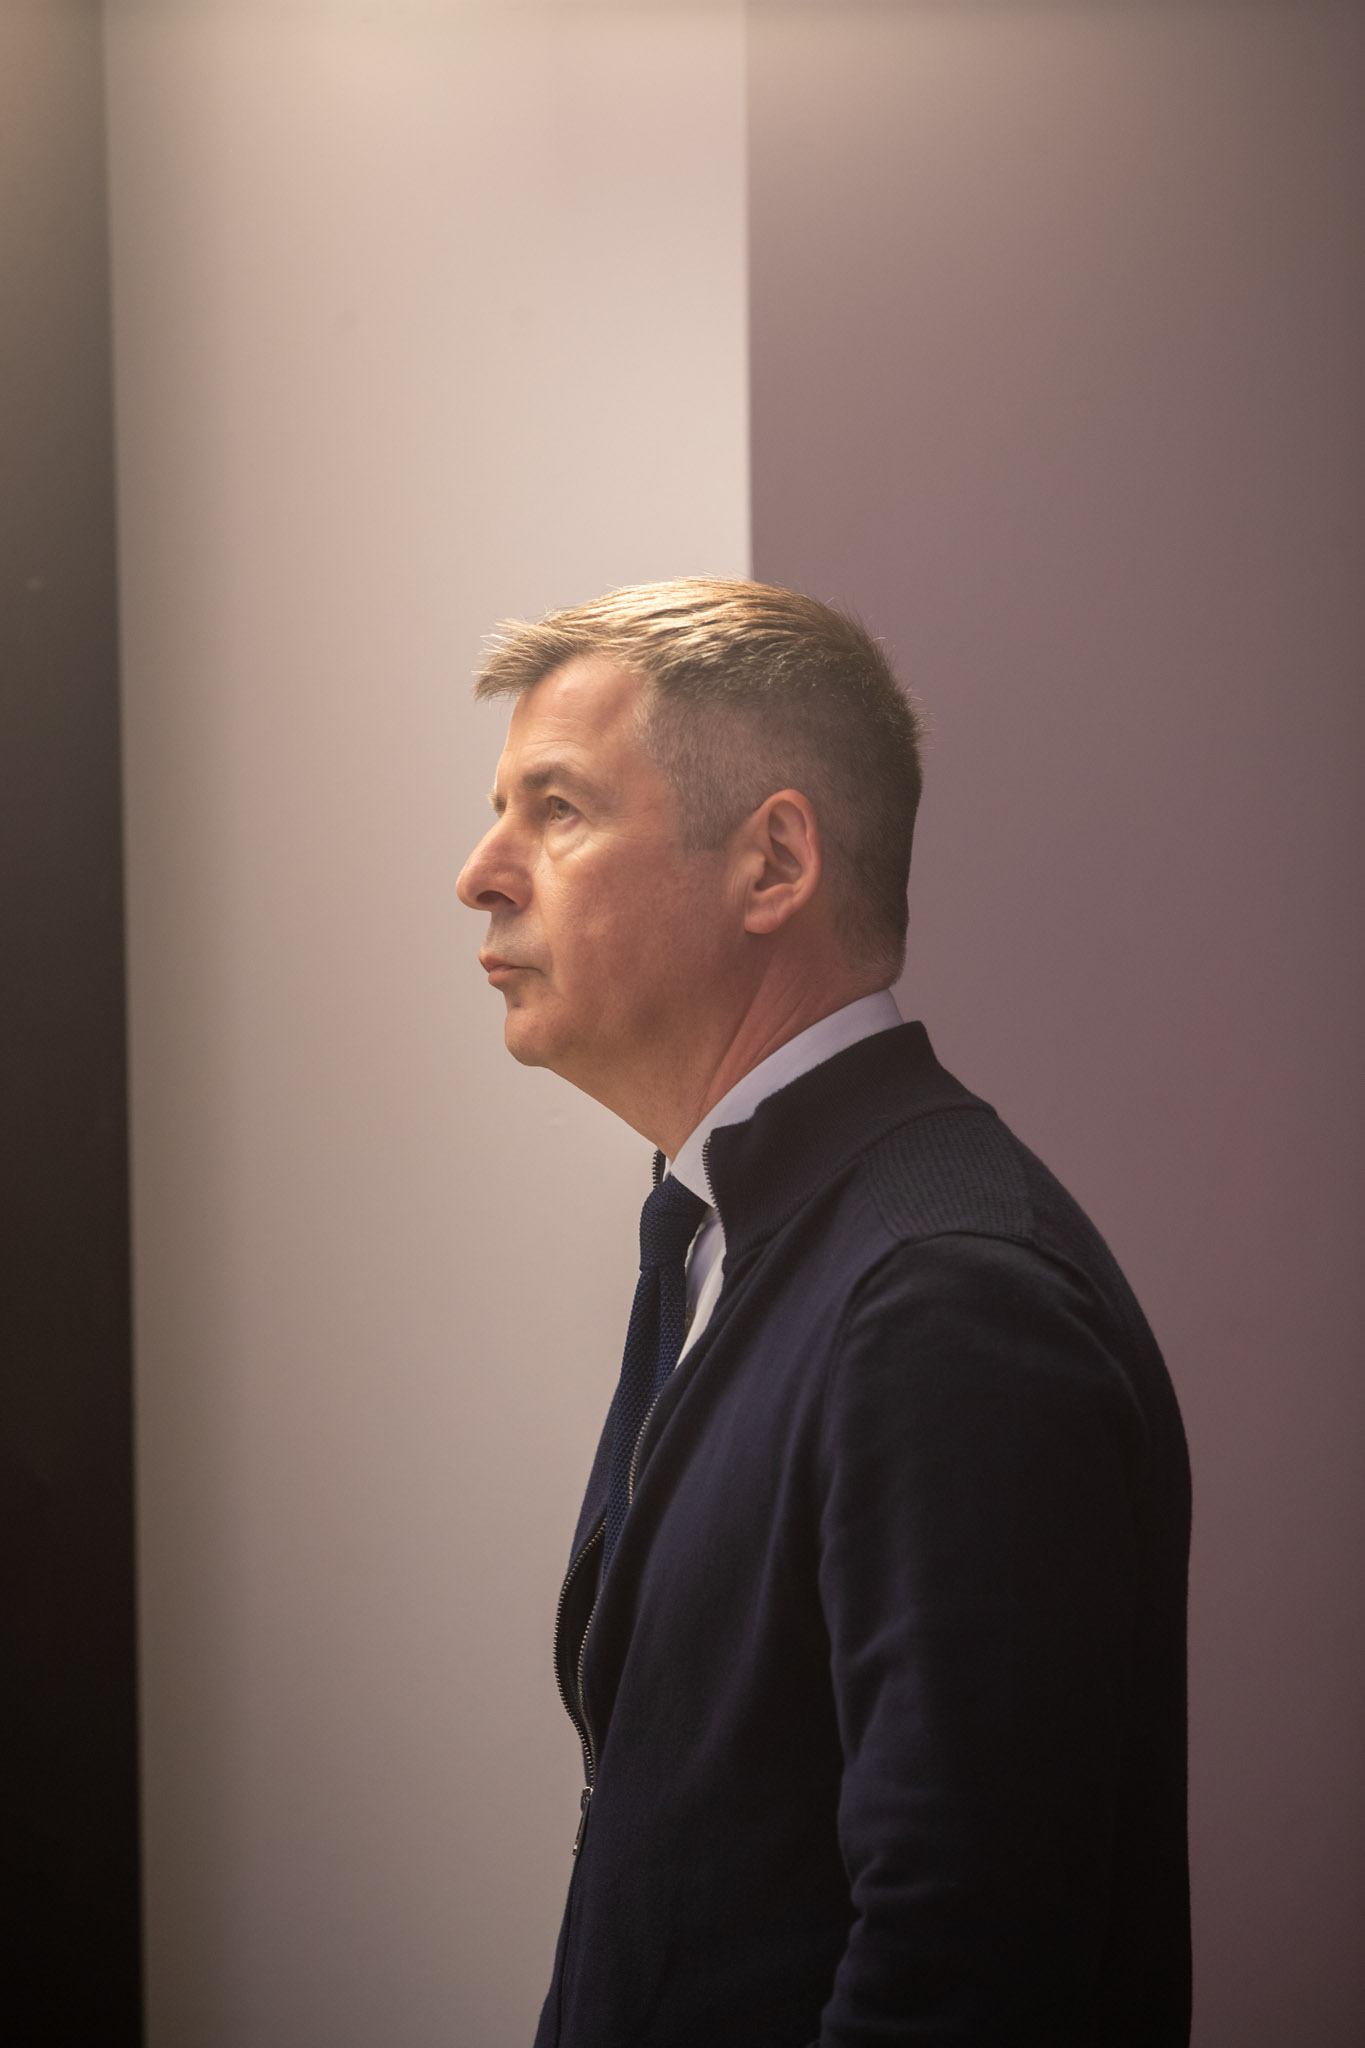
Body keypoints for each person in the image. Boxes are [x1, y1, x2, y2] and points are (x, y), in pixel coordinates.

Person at [456, 579, 1191, 2048]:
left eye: (558, 809)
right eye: (499, 814)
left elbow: (967, 1968)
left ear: (773, 861)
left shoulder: (946, 1301)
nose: (482, 873)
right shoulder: (736, 1234)